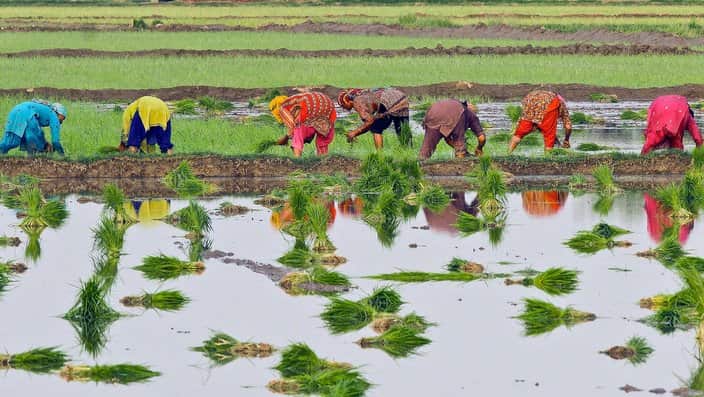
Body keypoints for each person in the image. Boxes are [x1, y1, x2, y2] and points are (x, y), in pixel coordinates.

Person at [269, 92, 337, 157]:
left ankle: (297, 160)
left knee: (297, 132)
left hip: (312, 105)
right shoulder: (294, 103)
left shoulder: (282, 107)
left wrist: (285, 139)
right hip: (328, 104)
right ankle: (323, 159)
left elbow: (292, 126)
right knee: (322, 138)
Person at [338, 88, 409, 149]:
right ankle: (407, 150)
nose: (344, 108)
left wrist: (354, 132)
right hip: (401, 98)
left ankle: (380, 155)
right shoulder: (362, 95)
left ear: (349, 101)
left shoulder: (357, 102)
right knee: (402, 129)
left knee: (376, 128)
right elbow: (368, 124)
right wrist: (355, 133)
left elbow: (369, 122)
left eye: (343, 105)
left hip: (387, 100)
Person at [419, 99, 485, 160]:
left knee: (426, 147)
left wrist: (464, 150)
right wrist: (479, 148)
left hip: (432, 111)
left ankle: (419, 164)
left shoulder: (455, 104)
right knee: (459, 143)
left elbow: (447, 139)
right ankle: (461, 163)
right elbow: (482, 138)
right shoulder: (468, 114)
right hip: (455, 114)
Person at [1, 100, 67, 155]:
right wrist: (62, 155)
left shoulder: (45, 109)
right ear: (58, 112)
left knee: (11, 141)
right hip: (27, 113)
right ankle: (32, 159)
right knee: (34, 139)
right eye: (62, 118)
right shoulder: (54, 115)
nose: (61, 122)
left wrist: (44, 143)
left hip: (15, 110)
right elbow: (55, 141)